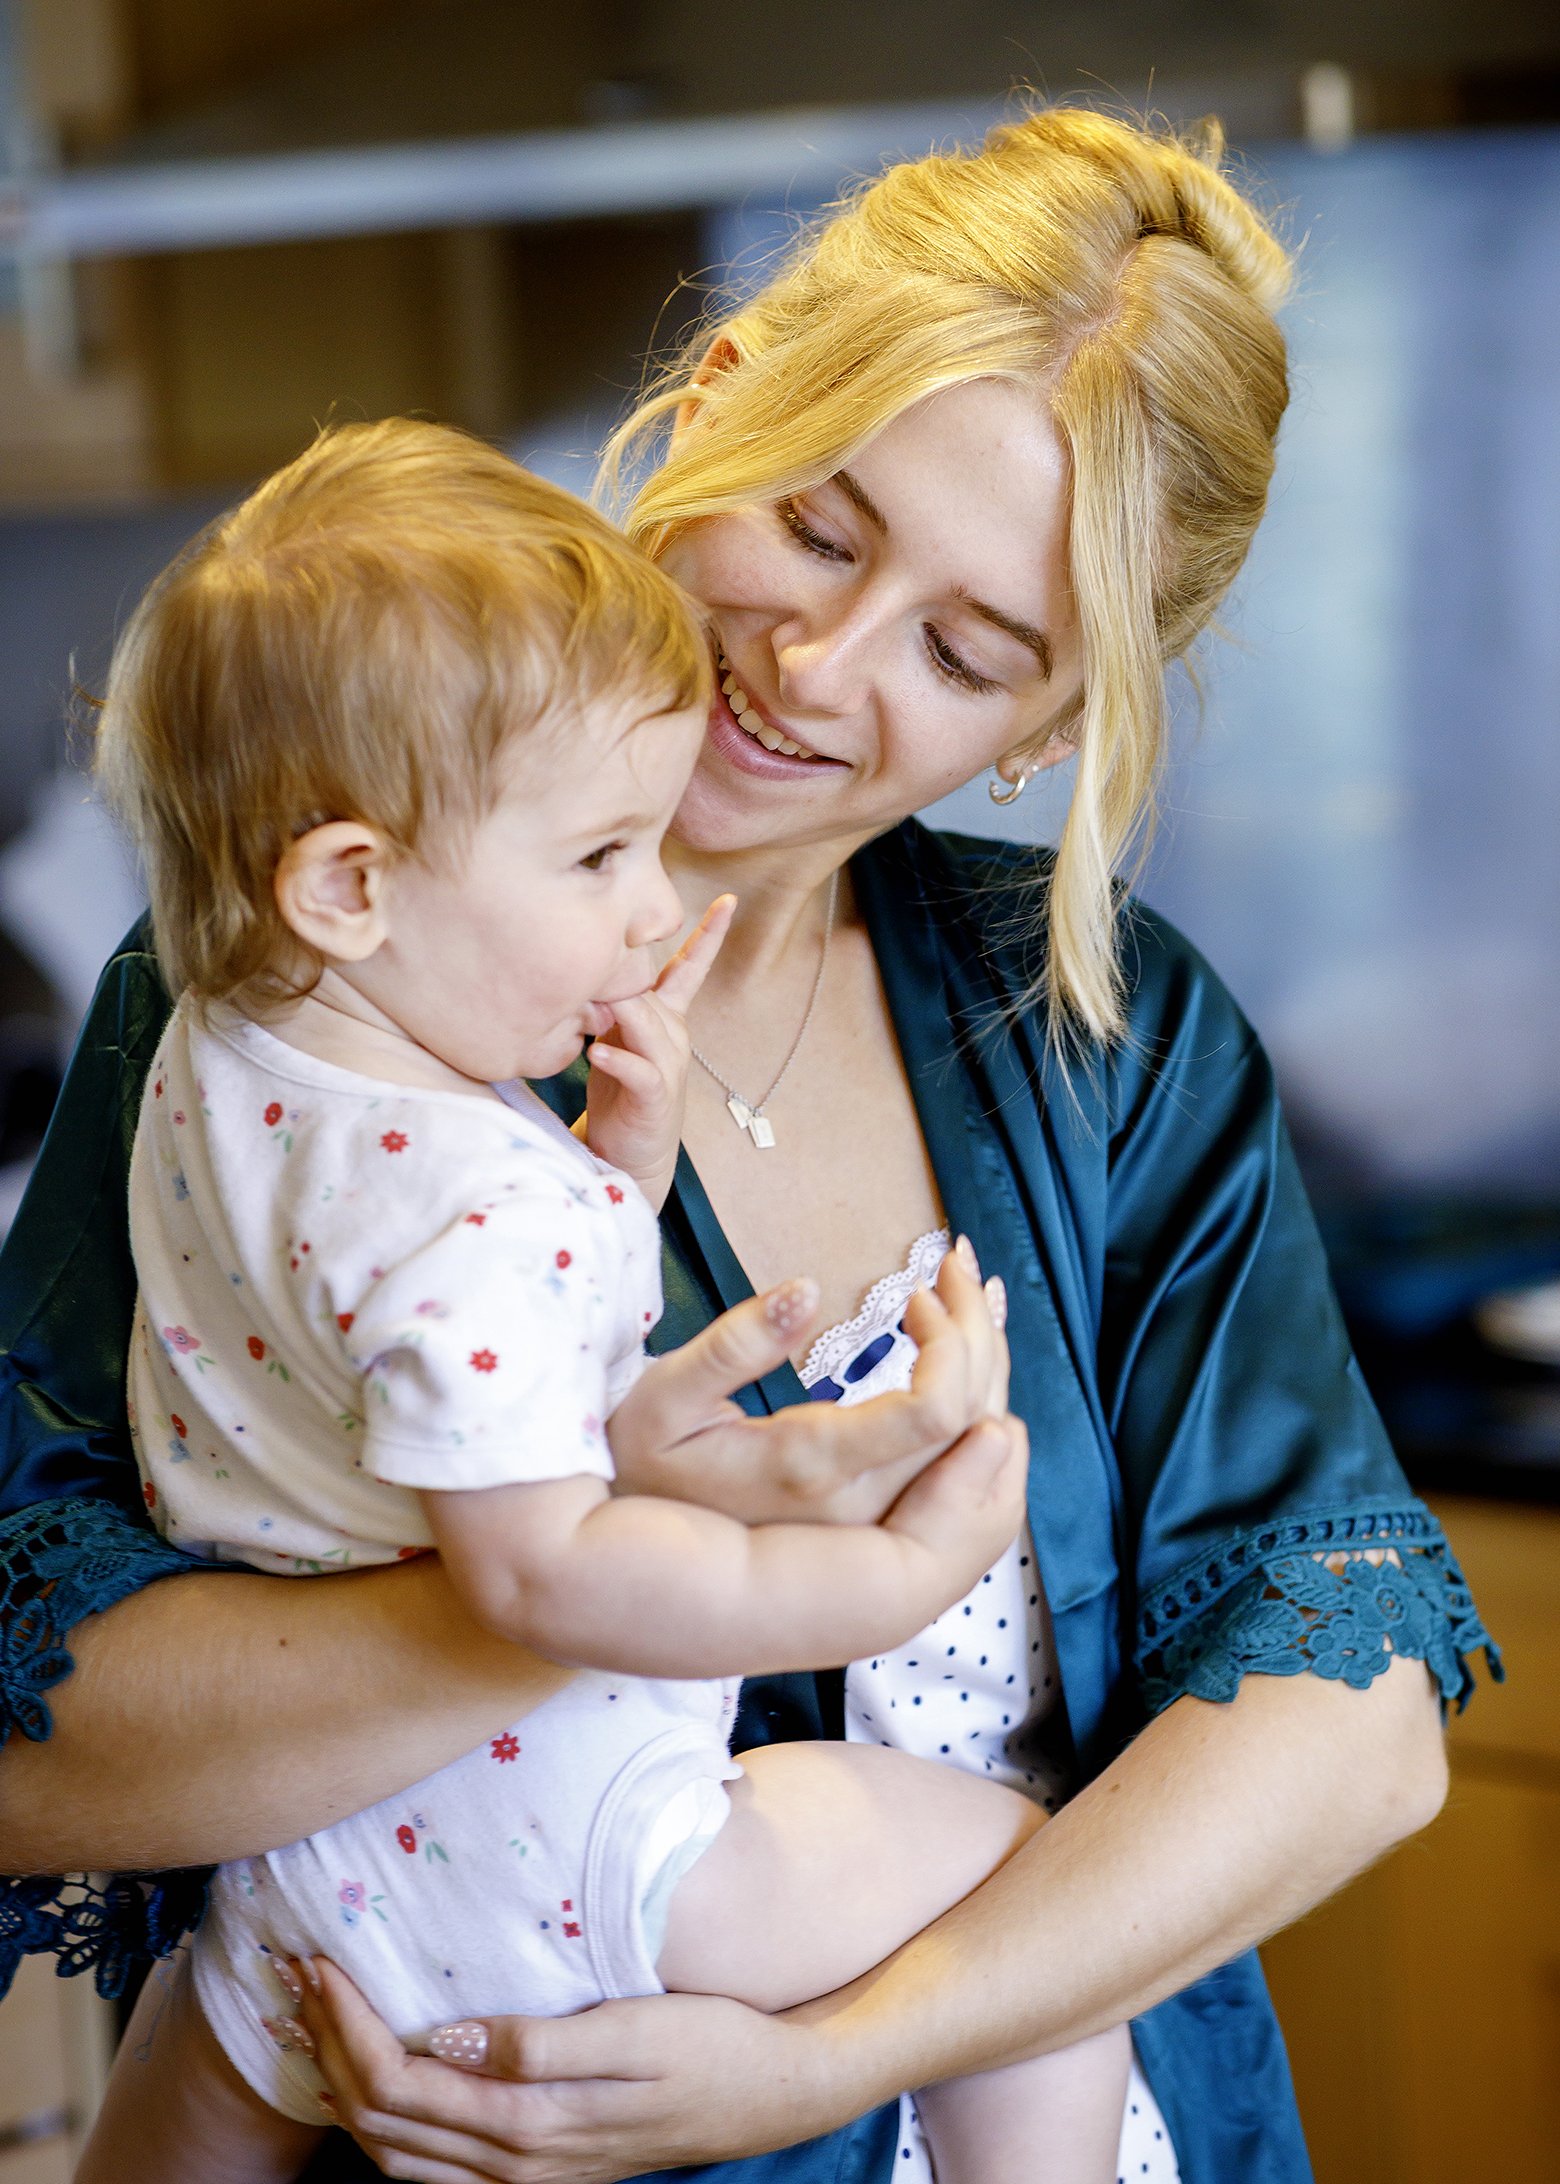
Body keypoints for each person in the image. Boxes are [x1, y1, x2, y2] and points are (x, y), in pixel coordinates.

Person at [0, 105, 1497, 2184]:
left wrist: (846, 2054)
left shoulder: (1105, 1040)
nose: (814, 665)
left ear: (1058, 720)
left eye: (967, 653)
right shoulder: (303, 984)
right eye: (816, 526)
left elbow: (1354, 1708)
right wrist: (573, 1563)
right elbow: (36, 1735)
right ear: (715, 400)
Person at [71, 417, 1128, 2184]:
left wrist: (606, 1167)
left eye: (962, 649)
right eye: (598, 859)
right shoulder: (484, 1202)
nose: (654, 909)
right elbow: (541, 1579)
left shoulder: (226, 1049)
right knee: (1022, 1891)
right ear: (351, 885)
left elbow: (405, 1332)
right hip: (566, 1846)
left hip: (298, 1881)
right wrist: (892, 1576)